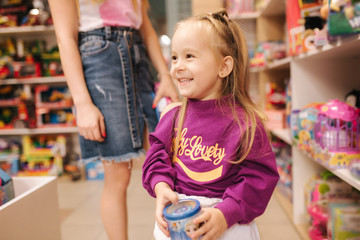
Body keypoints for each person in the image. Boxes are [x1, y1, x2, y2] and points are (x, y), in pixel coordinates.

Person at [142, 9, 280, 240]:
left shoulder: (245, 122)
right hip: (177, 217)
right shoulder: (173, 115)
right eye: (175, 57)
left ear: (224, 67)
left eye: (189, 56)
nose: (177, 66)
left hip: (226, 220)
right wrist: (161, 187)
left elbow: (259, 179)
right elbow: (157, 157)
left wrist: (225, 214)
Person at [47, 0, 179, 239]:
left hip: (138, 57)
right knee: (119, 173)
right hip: (100, 58)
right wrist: (83, 103)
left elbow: (146, 28)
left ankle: (178, 231)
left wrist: (165, 75)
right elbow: (65, 38)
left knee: (167, 157)